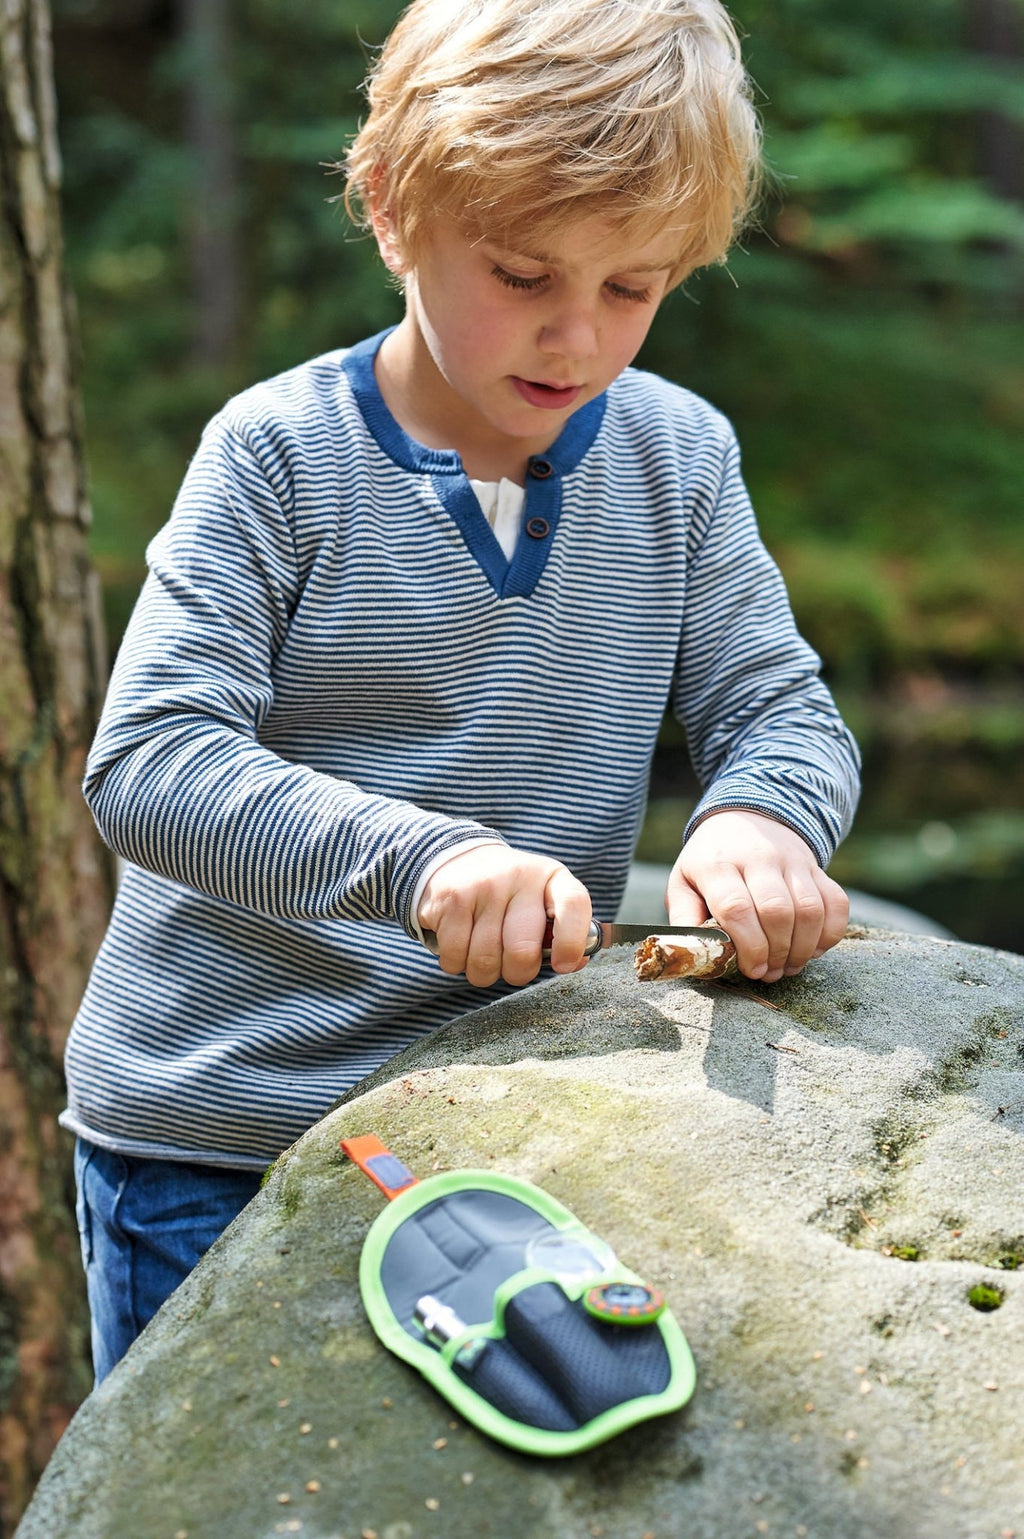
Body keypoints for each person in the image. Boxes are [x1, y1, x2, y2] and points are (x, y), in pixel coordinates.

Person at [63, 0, 860, 1382]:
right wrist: (421, 865)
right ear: (389, 207)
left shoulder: (680, 458)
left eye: (633, 289)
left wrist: (762, 822)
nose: (578, 341)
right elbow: (150, 763)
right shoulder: (276, 457)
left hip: (510, 1123)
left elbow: (777, 709)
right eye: (521, 273)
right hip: (219, 1133)